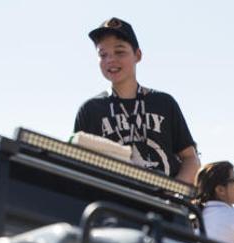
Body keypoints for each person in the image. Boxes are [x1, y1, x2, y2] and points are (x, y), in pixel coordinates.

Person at [74, 18, 200, 184]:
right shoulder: (90, 109)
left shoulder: (163, 102)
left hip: (164, 205)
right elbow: (77, 165)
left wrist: (174, 193)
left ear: (137, 55)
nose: (110, 59)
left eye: (120, 52)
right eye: (103, 54)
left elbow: (190, 158)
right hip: (115, 205)